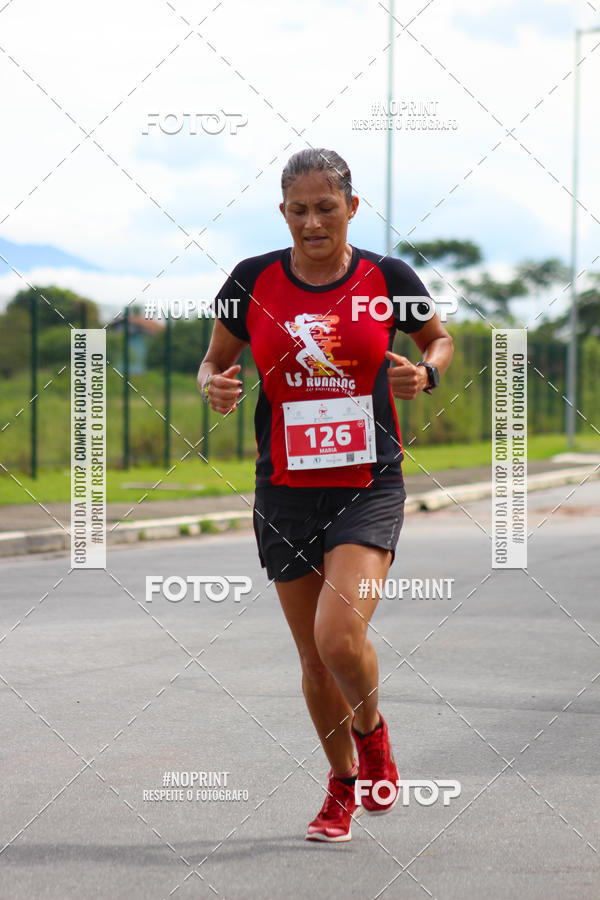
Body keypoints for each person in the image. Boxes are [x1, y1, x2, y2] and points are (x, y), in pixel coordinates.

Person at [197, 148, 453, 842]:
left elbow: (439, 340)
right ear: (283, 212)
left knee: (338, 637)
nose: (313, 221)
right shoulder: (249, 281)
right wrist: (212, 384)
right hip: (283, 487)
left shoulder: (387, 277)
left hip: (368, 482)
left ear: (352, 208)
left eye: (326, 207)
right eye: (299, 209)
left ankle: (373, 737)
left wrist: (425, 376)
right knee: (312, 659)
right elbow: (216, 358)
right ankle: (341, 785)